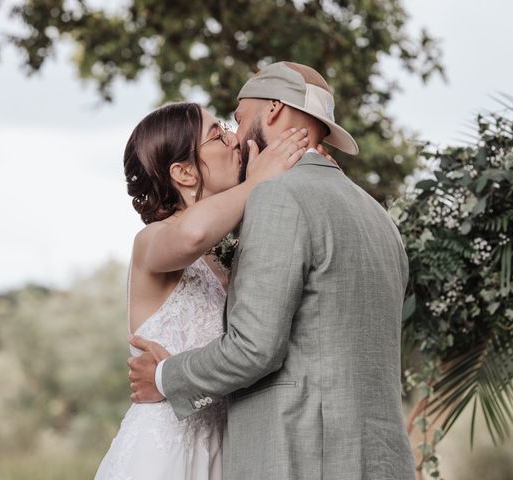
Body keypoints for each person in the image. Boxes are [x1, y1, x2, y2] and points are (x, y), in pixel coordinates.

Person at [128, 61, 416, 479]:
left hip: (299, 456)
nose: (235, 137)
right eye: (221, 132)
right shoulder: (379, 217)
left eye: (238, 120)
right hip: (379, 458)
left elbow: (253, 348)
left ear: (274, 111)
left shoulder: (276, 198)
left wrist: (165, 376)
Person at [94, 101, 310, 479]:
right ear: (183, 172)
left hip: (225, 451)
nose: (233, 139)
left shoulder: (224, 253)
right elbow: (193, 232)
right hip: (164, 455)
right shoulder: (152, 242)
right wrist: (258, 182)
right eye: (216, 134)